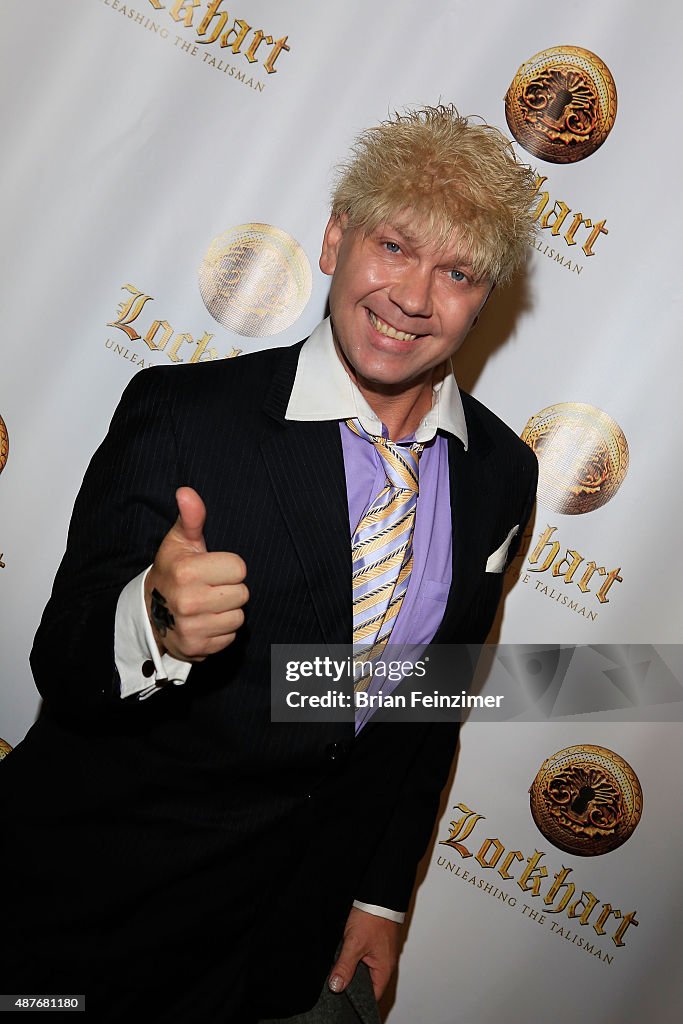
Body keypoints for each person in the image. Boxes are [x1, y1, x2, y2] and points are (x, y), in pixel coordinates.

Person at [1, 105, 538, 1022]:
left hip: (275, 940)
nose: (413, 297)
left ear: (483, 299)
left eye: (455, 272)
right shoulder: (185, 413)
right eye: (394, 246)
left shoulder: (499, 473)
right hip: (87, 910)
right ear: (334, 240)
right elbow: (63, 661)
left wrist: (379, 896)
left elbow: (429, 707)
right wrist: (154, 621)